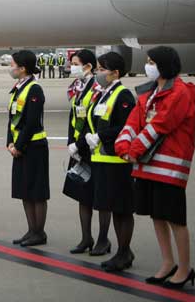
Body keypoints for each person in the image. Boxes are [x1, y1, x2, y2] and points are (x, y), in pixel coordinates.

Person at [114, 46, 195, 289]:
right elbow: (133, 122)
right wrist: (123, 144)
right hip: (147, 166)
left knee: (175, 219)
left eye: (152, 61)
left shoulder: (180, 91)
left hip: (169, 167)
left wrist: (133, 150)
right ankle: (167, 262)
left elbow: (160, 124)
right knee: (157, 216)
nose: (148, 65)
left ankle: (184, 268)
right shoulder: (149, 92)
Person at [87, 52, 138, 272]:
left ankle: (124, 251)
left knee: (122, 209)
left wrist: (101, 136)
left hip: (117, 162)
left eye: (101, 69)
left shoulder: (123, 95)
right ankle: (122, 251)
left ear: (115, 72)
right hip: (102, 159)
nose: (98, 73)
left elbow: (127, 125)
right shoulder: (103, 94)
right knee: (112, 207)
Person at [63, 49, 111, 256]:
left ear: (88, 66)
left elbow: (95, 122)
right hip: (79, 150)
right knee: (82, 196)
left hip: (92, 149)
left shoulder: (97, 88)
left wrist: (80, 144)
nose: (71, 67)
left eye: (75, 63)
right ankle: (86, 238)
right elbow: (74, 118)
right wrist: (70, 144)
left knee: (100, 198)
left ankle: (103, 239)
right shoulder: (79, 87)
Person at [7, 49, 49, 247]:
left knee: (36, 191)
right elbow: (13, 118)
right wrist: (10, 142)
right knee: (25, 190)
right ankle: (31, 230)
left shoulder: (34, 89)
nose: (10, 68)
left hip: (34, 147)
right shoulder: (19, 87)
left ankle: (39, 232)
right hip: (20, 147)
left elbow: (31, 122)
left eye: (13, 65)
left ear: (23, 68)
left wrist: (19, 146)